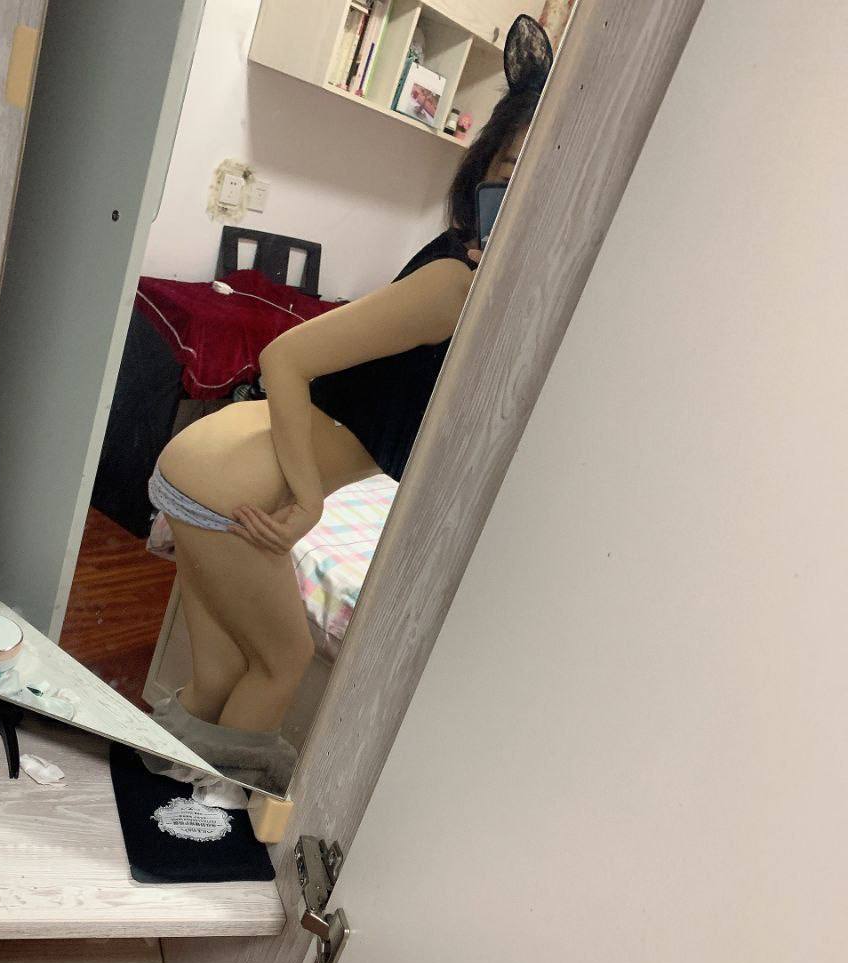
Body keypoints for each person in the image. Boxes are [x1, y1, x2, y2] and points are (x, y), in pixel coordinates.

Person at [148, 17, 553, 792]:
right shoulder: (455, 283)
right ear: (483, 171)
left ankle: (144, 811)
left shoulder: (481, 292)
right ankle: (198, 827)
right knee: (284, 661)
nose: (521, 188)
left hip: (207, 471)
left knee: (217, 677)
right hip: (230, 490)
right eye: (511, 165)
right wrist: (306, 502)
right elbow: (284, 357)